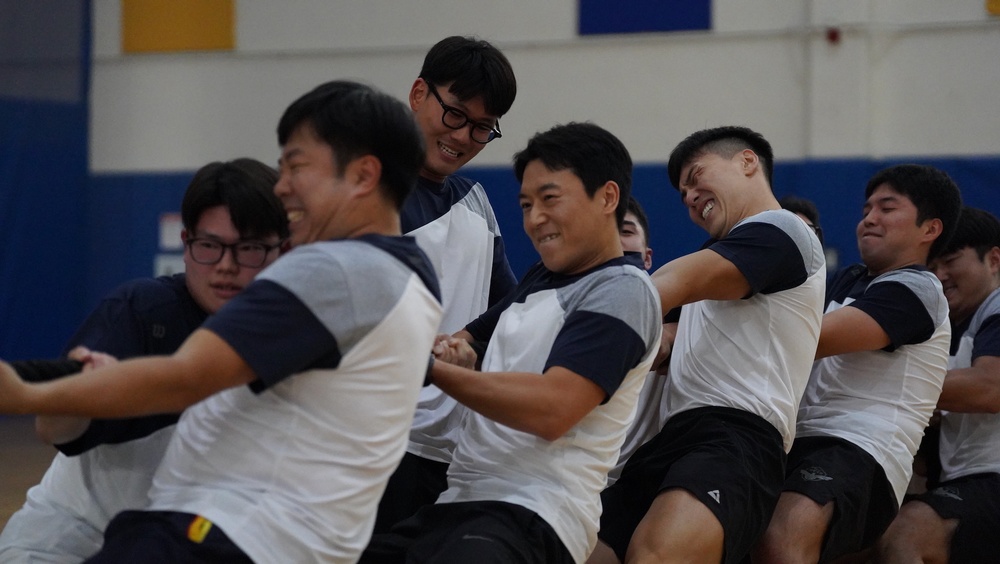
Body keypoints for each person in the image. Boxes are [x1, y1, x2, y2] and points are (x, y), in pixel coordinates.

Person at [0, 80, 442, 564]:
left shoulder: (331, 271)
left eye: (297, 166)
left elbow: (183, 378)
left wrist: (25, 393)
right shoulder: (415, 283)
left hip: (221, 537)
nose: (282, 185)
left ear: (362, 175)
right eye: (281, 168)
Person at [362, 122, 662, 564]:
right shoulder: (540, 279)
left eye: (550, 198)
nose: (534, 218)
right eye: (525, 204)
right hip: (459, 503)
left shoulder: (623, 289)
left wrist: (430, 371)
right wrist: (455, 355)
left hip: (534, 513)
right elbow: (471, 342)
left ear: (607, 198)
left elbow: (553, 409)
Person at [0, 158, 288, 563]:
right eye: (209, 245)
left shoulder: (298, 333)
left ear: (285, 249)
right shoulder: (141, 311)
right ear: (186, 245)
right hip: (73, 544)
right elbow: (54, 430)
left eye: (249, 248)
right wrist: (71, 396)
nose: (226, 265)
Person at [590, 125, 826, 564]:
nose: (690, 197)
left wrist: (577, 328)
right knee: (572, 546)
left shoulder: (782, 231)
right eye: (683, 194)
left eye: (697, 177)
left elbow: (670, 284)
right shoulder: (726, 256)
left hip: (736, 439)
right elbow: (662, 339)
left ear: (747, 161)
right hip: (671, 440)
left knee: (655, 556)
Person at [752, 164, 961, 563]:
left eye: (887, 208)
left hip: (862, 450)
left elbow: (809, 339)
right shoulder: (851, 279)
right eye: (866, 209)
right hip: (802, 445)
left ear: (929, 229)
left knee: (783, 532)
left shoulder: (917, 289)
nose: (869, 218)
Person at [374, 35, 519, 533]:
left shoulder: (476, 202)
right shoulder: (369, 192)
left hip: (459, 454)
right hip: (379, 444)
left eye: (482, 128)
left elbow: (512, 310)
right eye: (455, 115)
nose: (462, 137)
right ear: (419, 94)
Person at [874, 206, 1000, 564]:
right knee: (858, 534)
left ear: (993, 260)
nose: (939, 274)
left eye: (952, 261)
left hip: (989, 480)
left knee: (907, 533)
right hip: (961, 485)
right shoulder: (944, 327)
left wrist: (887, 388)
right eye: (933, 265)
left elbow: (991, 389)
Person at [608, 196, 669, 485]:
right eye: (607, 231)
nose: (615, 241)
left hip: (634, 485)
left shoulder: (670, 318)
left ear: (647, 257)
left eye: (627, 231)